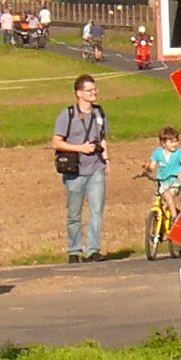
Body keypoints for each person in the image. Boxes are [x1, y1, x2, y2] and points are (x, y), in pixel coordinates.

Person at [53, 74, 109, 262]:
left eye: (95, 89)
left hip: (96, 168)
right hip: (74, 171)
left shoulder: (99, 113)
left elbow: (102, 137)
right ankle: (74, 250)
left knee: (96, 211)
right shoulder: (67, 115)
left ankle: (93, 249)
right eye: (89, 90)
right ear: (79, 93)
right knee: (74, 214)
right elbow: (56, 143)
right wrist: (80, 148)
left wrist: (106, 159)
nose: (94, 93)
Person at [148, 126, 181, 217]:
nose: (174, 144)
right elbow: (152, 167)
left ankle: (174, 217)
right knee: (160, 201)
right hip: (162, 182)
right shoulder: (158, 153)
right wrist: (147, 168)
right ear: (163, 143)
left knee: (168, 195)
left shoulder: (179, 152)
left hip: (175, 181)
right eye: (171, 142)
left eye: (176, 141)